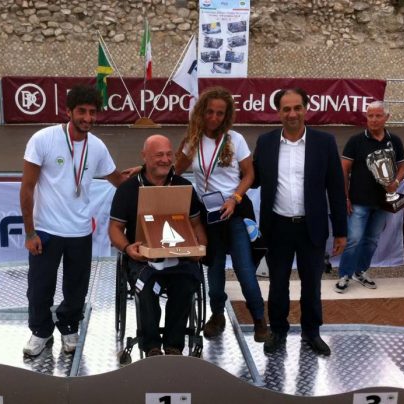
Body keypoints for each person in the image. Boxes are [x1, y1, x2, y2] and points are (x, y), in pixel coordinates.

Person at [20, 84, 126, 357]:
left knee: (76, 288)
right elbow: (27, 188)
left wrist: (146, 175)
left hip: (80, 231)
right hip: (46, 229)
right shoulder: (43, 139)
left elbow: (118, 181)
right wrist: (30, 233)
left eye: (92, 112)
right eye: (82, 111)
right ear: (68, 111)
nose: (88, 118)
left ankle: (69, 327)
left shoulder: (97, 146)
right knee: (40, 288)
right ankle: (41, 332)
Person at [253, 88, 347, 356]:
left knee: (312, 284)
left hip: (311, 227)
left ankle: (311, 332)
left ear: (306, 109)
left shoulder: (324, 142)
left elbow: (335, 188)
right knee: (278, 283)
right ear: (278, 112)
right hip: (277, 226)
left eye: (297, 108)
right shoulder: (266, 142)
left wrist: (341, 231)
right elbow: (254, 178)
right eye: (286, 109)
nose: (292, 114)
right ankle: (278, 331)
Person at [174, 87, 267, 342]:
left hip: (234, 211)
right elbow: (173, 171)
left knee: (244, 270)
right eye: (209, 112)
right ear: (201, 112)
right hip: (208, 215)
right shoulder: (192, 140)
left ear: (226, 116)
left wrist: (234, 198)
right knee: (214, 273)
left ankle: (260, 319)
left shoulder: (235, 139)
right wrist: (145, 169)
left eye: (219, 113)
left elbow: (249, 174)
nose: (214, 118)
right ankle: (217, 316)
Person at [109, 135, 207, 357]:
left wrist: (201, 247)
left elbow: (196, 225)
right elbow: (115, 229)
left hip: (180, 258)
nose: (165, 159)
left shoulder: (184, 186)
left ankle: (174, 347)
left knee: (186, 285)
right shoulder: (127, 189)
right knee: (146, 288)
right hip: (143, 259)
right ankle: (151, 347)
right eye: (159, 155)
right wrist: (127, 248)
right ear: (144, 156)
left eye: (169, 154)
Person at [334, 101, 404, 293]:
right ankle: (345, 274)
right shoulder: (356, 141)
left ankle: (361, 271)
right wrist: (345, 196)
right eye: (370, 116)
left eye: (378, 116)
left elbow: (402, 167)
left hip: (383, 202)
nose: (373, 119)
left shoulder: (395, 140)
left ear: (387, 117)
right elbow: (343, 169)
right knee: (354, 239)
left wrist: (396, 182)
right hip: (358, 201)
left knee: (372, 240)